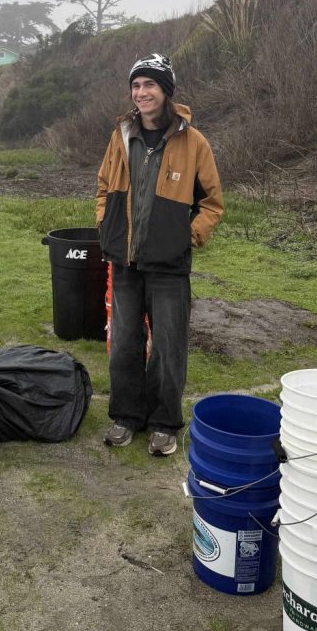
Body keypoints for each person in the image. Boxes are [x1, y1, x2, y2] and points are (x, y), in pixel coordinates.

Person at [95, 53, 224, 456]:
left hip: (169, 266)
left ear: (166, 92)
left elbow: (213, 204)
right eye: (136, 85)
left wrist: (187, 238)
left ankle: (165, 422)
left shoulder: (194, 142)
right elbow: (103, 187)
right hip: (125, 260)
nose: (141, 92)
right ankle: (126, 417)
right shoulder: (121, 136)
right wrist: (106, 224)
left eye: (150, 84)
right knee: (124, 344)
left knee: (169, 346)